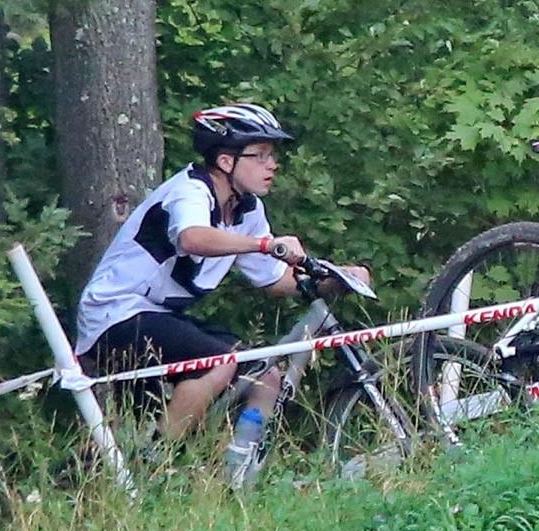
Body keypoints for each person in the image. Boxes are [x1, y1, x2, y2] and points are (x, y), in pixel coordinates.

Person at [74, 103, 369, 443]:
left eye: (272, 155)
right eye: (259, 155)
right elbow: (193, 237)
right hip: (114, 313)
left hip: (158, 316)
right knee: (220, 361)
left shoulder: (247, 209)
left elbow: (274, 280)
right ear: (226, 161)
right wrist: (264, 244)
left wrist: (337, 278)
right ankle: (154, 460)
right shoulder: (190, 191)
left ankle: (239, 471)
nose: (272, 165)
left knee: (266, 375)